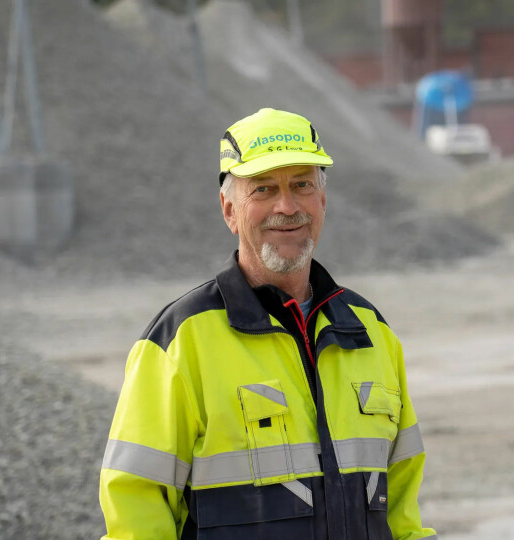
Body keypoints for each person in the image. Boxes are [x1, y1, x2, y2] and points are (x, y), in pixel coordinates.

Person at [98, 108, 437, 540]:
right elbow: (136, 516)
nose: (287, 206)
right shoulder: (182, 341)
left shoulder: (372, 334)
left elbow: (402, 511)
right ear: (229, 210)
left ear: (323, 201)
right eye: (263, 189)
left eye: (302, 185)